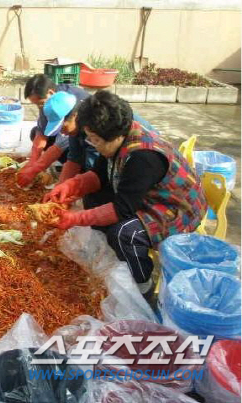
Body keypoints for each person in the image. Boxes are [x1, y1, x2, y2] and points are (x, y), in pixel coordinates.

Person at [44, 91, 206, 298]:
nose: (93, 144)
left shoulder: (143, 157)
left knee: (123, 233)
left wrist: (74, 219)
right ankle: (112, 255)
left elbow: (122, 209)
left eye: (96, 140)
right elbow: (99, 175)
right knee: (92, 198)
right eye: (91, 139)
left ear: (115, 136)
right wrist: (70, 186)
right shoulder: (116, 139)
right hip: (147, 194)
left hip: (176, 208)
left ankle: (143, 285)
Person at [17, 74, 158, 188]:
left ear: (74, 116)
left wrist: (36, 169)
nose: (63, 133)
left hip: (139, 154)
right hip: (113, 149)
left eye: (63, 128)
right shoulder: (68, 117)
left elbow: (66, 149)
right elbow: (73, 157)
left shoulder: (95, 126)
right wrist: (60, 188)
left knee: (95, 186)